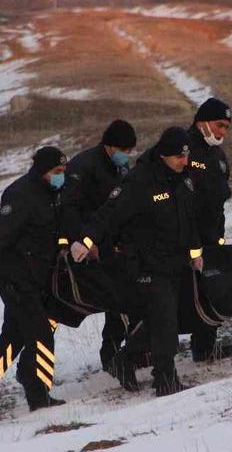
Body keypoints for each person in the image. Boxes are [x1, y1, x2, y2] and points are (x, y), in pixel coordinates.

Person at [71, 127, 202, 397]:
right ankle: (165, 380)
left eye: (186, 156)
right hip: (146, 263)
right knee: (164, 320)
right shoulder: (140, 180)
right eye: (179, 157)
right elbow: (109, 212)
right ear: (164, 155)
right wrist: (85, 240)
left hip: (174, 261)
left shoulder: (182, 177)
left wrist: (195, 252)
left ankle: (124, 359)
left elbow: (190, 219)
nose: (184, 161)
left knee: (163, 319)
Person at [0, 146, 69, 417]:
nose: (62, 176)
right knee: (41, 334)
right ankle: (39, 397)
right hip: (16, 280)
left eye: (63, 171)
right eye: (57, 171)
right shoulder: (21, 195)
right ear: (43, 171)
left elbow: (54, 230)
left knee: (14, 338)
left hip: (35, 278)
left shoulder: (51, 193)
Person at [60, 119, 137, 375]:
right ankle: (112, 355)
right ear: (110, 145)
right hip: (89, 246)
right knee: (114, 300)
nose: (126, 155)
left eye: (130, 151)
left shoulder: (121, 167)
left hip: (113, 245)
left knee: (122, 299)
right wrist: (83, 240)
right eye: (123, 150)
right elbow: (69, 208)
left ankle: (120, 353)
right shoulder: (83, 166)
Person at [186, 97, 232, 362]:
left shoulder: (217, 154)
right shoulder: (184, 148)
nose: (222, 132)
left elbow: (219, 195)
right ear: (202, 122)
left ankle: (205, 347)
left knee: (211, 288)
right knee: (176, 294)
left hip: (212, 233)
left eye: (226, 127)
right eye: (219, 125)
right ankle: (143, 351)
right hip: (184, 236)